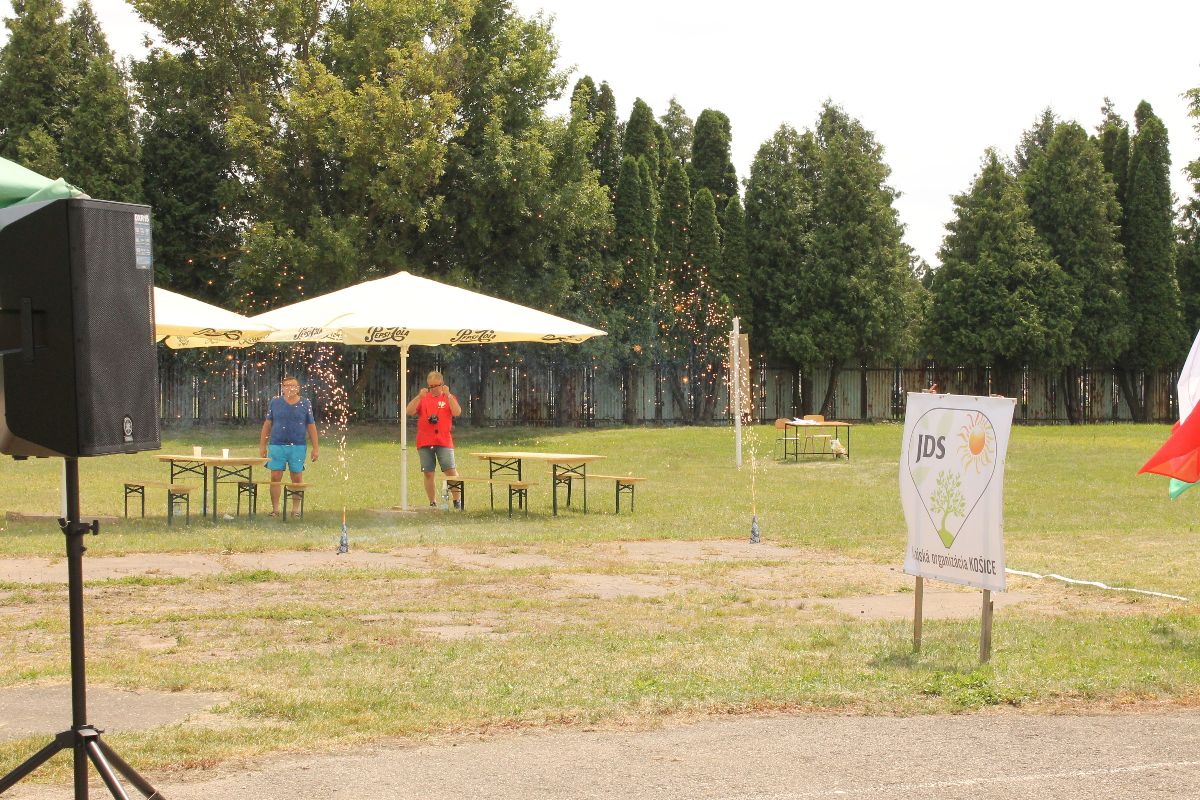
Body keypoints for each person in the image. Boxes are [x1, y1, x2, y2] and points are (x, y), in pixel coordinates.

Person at [259, 375, 319, 517]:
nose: (290, 388)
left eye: (293, 385)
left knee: (297, 478)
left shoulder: (305, 403)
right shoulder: (275, 402)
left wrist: (315, 448)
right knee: (275, 477)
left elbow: (311, 426)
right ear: (283, 388)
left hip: (298, 446)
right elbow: (267, 424)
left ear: (298, 388)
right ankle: (275, 510)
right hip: (276, 445)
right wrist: (262, 445)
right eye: (287, 386)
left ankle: (295, 510)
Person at [406, 370, 463, 509]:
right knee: (428, 473)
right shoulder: (423, 398)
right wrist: (419, 397)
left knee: (450, 471)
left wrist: (448, 395)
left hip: (444, 440)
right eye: (430, 386)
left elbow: (457, 412)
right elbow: (409, 411)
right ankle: (432, 502)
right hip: (425, 440)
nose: (433, 389)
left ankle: (457, 501)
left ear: (442, 384)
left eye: (436, 386)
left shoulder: (448, 397)